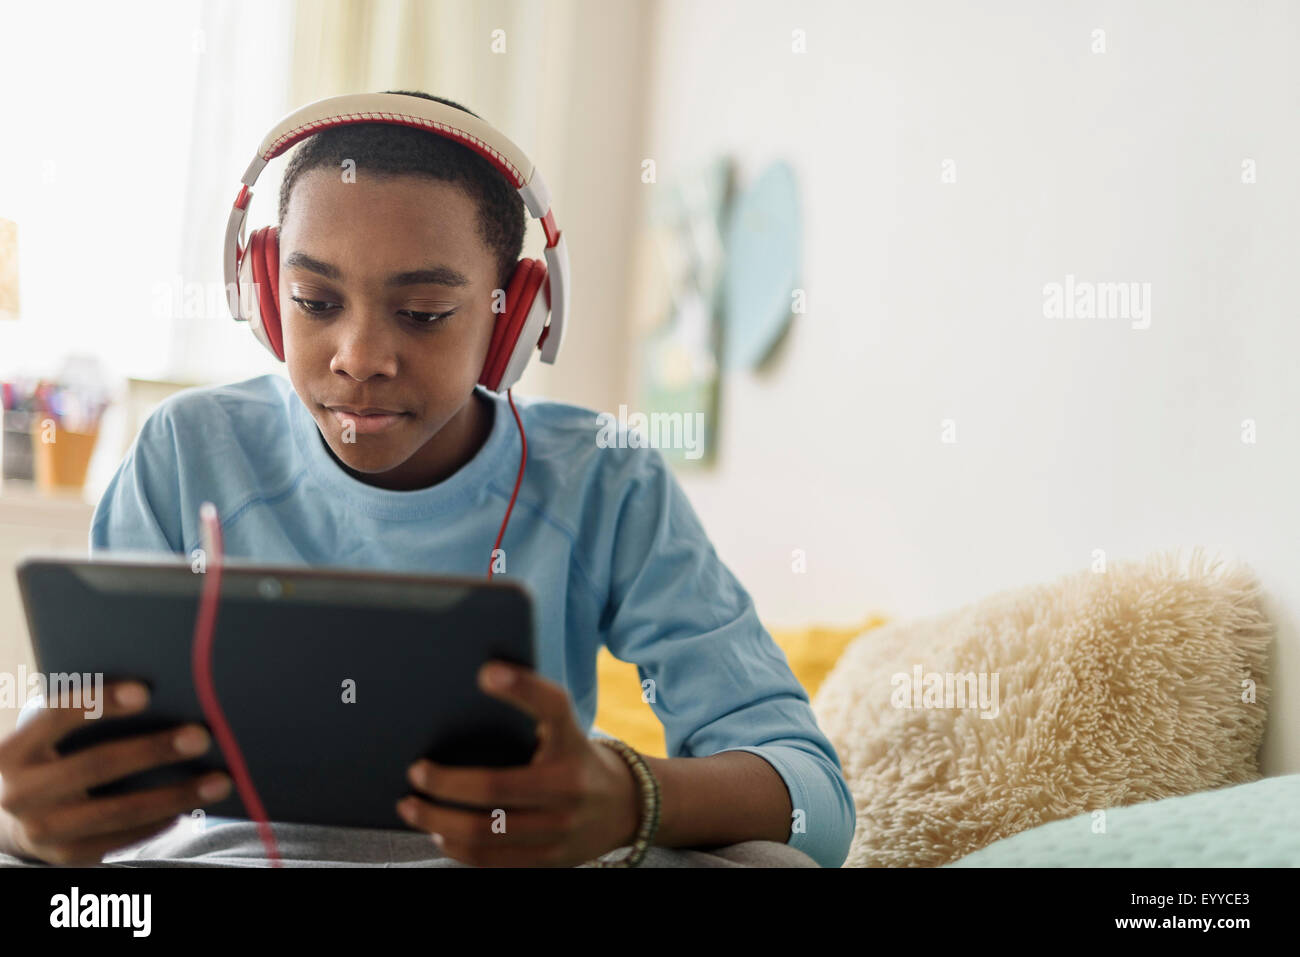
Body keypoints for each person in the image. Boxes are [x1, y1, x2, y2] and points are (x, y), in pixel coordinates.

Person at [0, 91, 852, 868]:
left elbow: (815, 801)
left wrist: (628, 796)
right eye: (314, 300)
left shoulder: (603, 480)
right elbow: (81, 761)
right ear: (263, 293)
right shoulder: (185, 450)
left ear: (513, 315)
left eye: (424, 314)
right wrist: (41, 822)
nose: (360, 357)